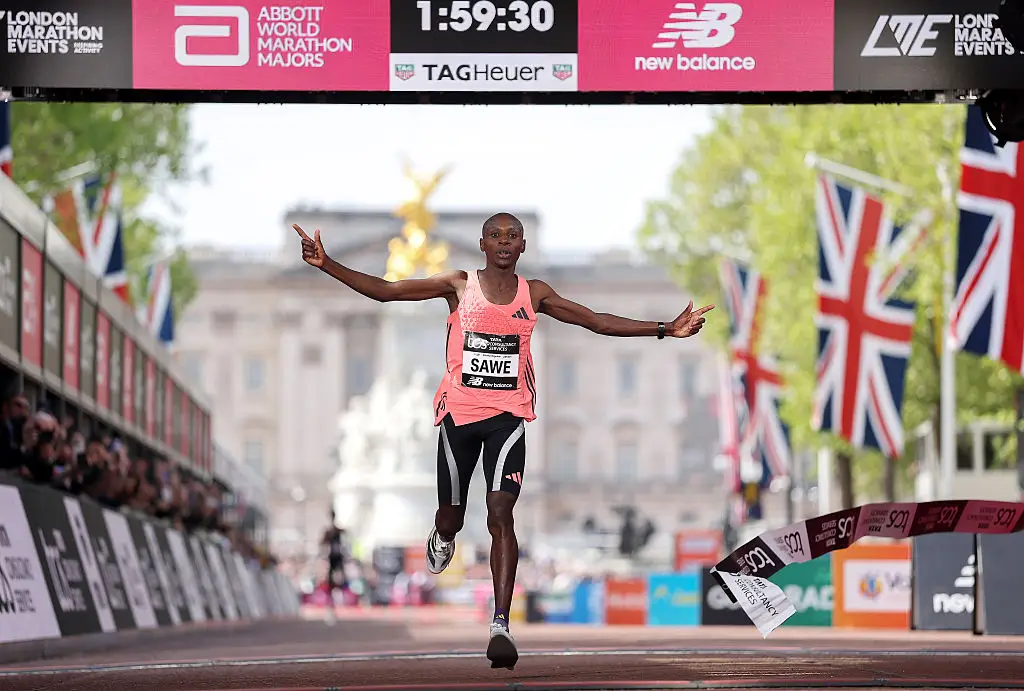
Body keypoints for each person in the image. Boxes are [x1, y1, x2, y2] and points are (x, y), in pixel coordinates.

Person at [293, 213, 713, 669]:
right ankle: (443, 534)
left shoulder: (535, 294)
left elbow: (595, 321)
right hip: (458, 419)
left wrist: (664, 329)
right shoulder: (458, 285)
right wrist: (327, 264)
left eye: (512, 236)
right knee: (452, 517)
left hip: (508, 420)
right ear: (482, 244)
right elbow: (389, 291)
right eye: (496, 236)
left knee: (500, 514)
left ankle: (500, 622)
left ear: (523, 246)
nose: (504, 243)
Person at [321, 511, 349, 624]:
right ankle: (331, 604)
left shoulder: (336, 530)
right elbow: (322, 542)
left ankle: (338, 598)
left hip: (338, 559)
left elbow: (346, 533)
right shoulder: (330, 532)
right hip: (333, 559)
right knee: (332, 582)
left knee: (340, 580)